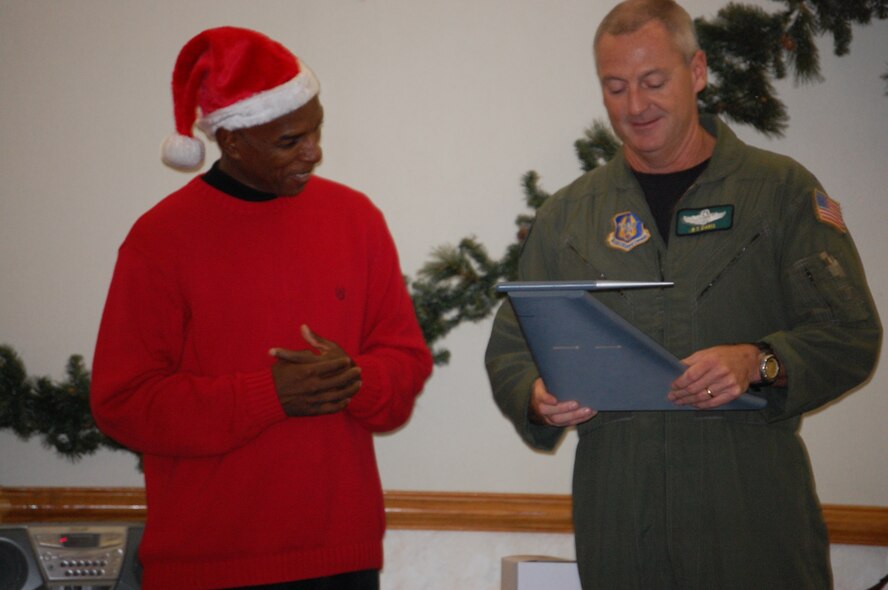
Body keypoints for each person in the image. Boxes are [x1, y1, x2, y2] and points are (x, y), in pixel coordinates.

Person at [485, 1, 881, 588]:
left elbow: (850, 335)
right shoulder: (570, 215)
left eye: (653, 82)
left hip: (752, 517)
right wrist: (536, 395)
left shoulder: (779, 192)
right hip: (620, 522)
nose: (635, 106)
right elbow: (512, 349)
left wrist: (759, 361)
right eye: (615, 88)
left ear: (696, 72)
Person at [91, 27, 433, 590]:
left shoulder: (356, 219)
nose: (314, 151)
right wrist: (268, 395)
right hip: (206, 567)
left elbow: (405, 363)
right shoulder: (161, 239)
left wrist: (353, 380)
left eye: (317, 128)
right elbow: (123, 402)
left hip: (340, 560)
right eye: (289, 140)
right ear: (233, 141)